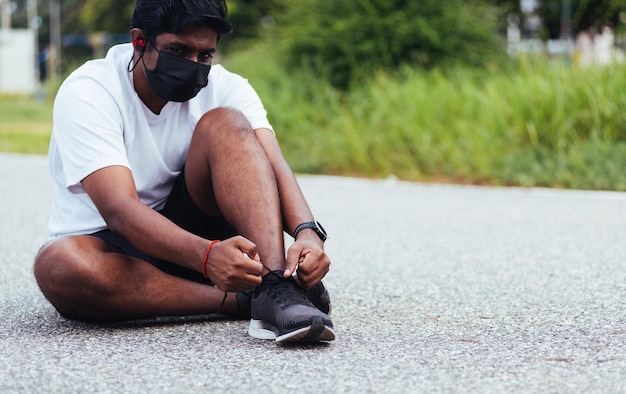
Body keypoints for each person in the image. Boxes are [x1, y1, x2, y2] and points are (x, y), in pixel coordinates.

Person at [33, 0, 335, 345]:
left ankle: (274, 284)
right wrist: (207, 259)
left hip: (200, 228)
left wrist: (308, 233)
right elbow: (120, 211)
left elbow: (274, 165)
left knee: (227, 122)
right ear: (139, 42)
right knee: (59, 266)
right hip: (117, 245)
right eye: (179, 51)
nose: (193, 65)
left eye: (205, 55)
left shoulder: (227, 86)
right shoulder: (89, 91)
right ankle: (245, 298)